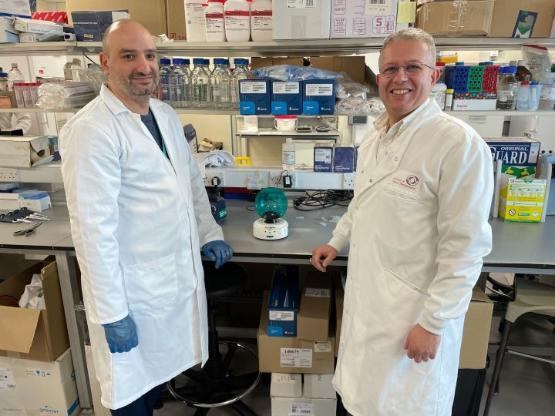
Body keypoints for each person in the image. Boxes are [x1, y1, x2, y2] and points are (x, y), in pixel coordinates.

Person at [310, 28, 493, 416]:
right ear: (379, 79)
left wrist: (433, 323)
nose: (400, 78)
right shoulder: (376, 138)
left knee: (402, 406)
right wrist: (337, 240)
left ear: (434, 75)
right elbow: (363, 202)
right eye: (390, 68)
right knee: (358, 401)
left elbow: (465, 247)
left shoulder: (458, 144)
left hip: (413, 320)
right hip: (369, 309)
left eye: (413, 67)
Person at [60, 19, 233, 415]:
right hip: (132, 296)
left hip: (170, 286)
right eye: (129, 56)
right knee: (131, 395)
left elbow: (190, 184)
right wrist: (112, 314)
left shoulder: (165, 114)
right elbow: (92, 231)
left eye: (150, 55)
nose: (144, 66)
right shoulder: (92, 130)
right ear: (105, 62)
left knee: (158, 383)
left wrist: (209, 233)